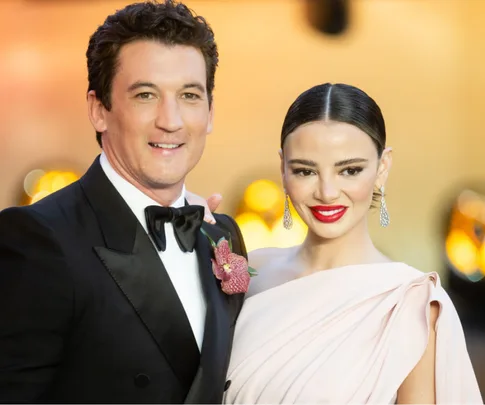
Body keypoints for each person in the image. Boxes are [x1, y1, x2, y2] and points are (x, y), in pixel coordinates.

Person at [0, 1, 247, 403]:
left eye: (189, 95)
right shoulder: (38, 239)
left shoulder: (222, 236)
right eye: (146, 95)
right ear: (99, 110)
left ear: (210, 112)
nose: (171, 120)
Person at [202, 83, 483, 404]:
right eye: (305, 170)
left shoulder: (412, 303)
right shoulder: (249, 273)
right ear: (283, 167)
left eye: (350, 170)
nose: (327, 192)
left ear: (382, 167)